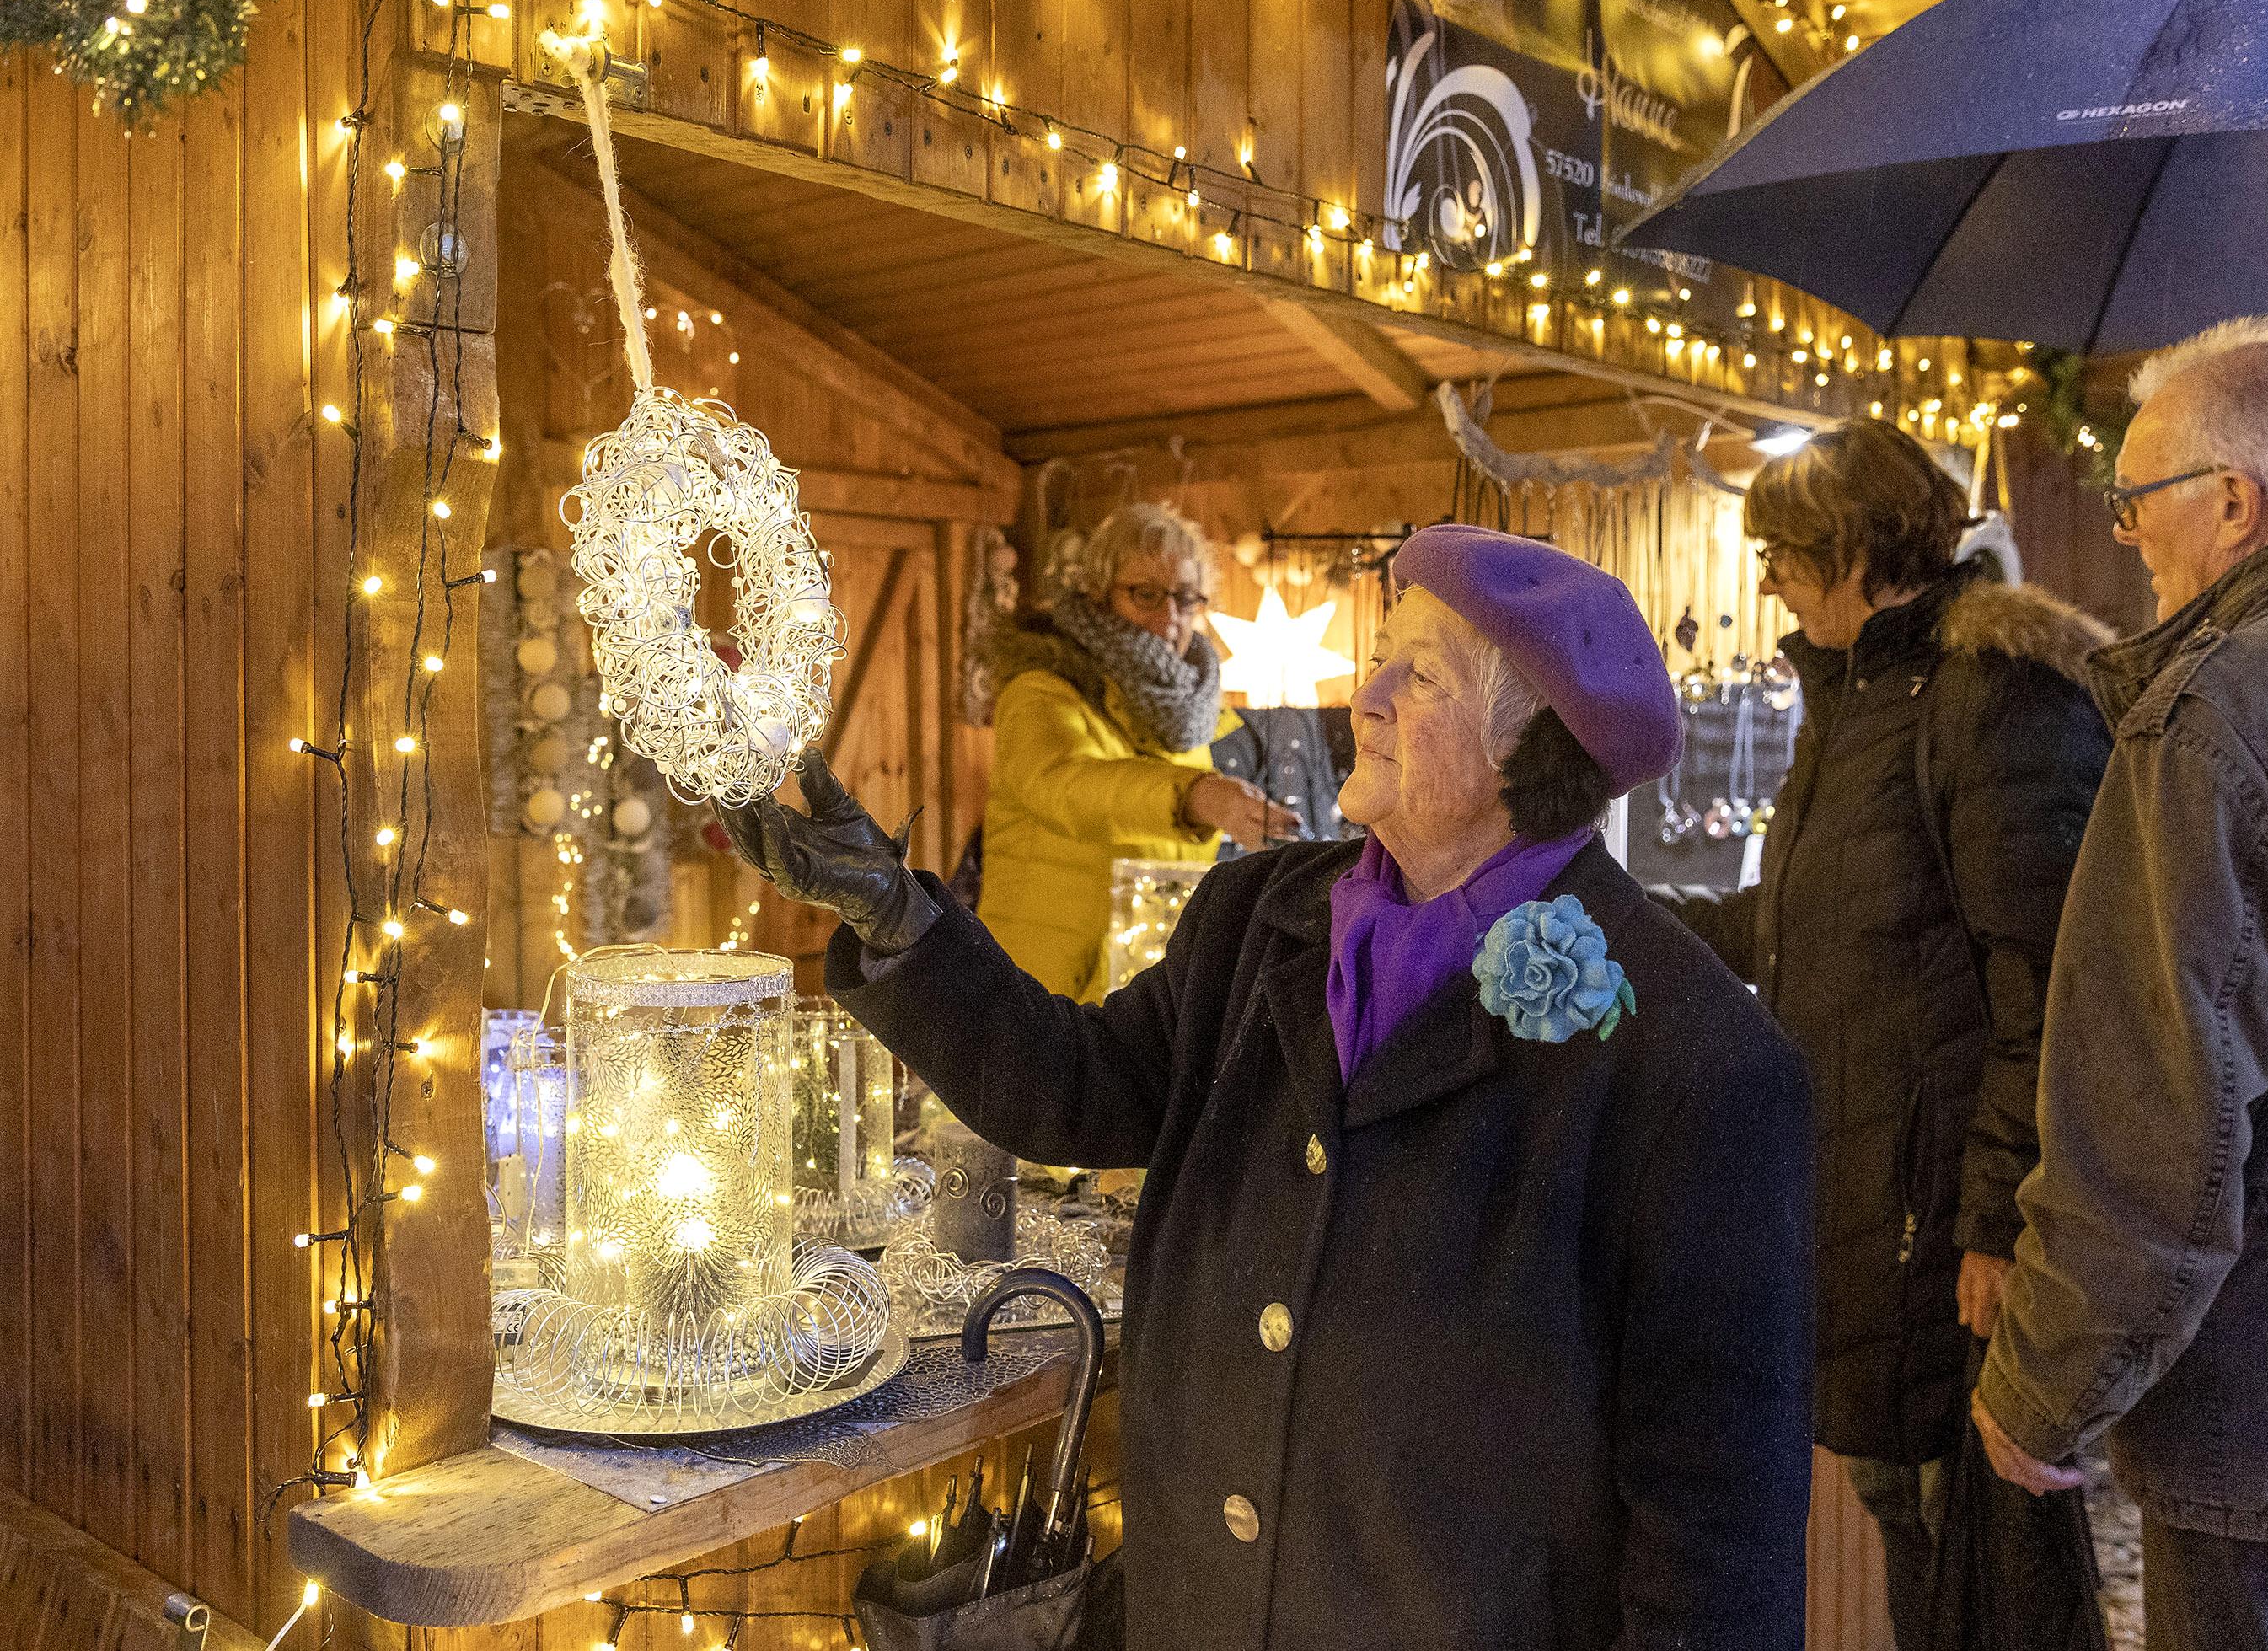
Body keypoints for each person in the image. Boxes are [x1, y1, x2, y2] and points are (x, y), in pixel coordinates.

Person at [721, 524, 1815, 1650]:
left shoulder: (1691, 1063)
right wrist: (901, 921)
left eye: (1420, 673)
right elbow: (1078, 1088)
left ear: (1529, 743)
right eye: (1379, 654)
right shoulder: (1260, 920)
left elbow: (1716, 1540)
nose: (1367, 694)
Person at [1970, 318, 2268, 1651]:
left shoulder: (2219, 714)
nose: (2127, 535)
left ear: (2233, 502)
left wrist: (2046, 1383)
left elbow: (2156, 1116)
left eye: (2133, 501)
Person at [1654, 420, 2113, 1651]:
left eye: (1782, 554)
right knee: (1908, 1517)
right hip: (1860, 1185)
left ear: (1860, 551)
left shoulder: (1992, 702)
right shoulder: (1854, 699)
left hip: (1945, 1213)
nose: (1765, 582)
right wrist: (1623, 919)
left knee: (1975, 1550)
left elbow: (2047, 981)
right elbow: (1801, 922)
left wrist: (2000, 1220)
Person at [978, 502, 1298, 1003]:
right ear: (1097, 594)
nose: (1168, 618)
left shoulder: (1186, 717)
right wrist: (1196, 797)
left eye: (1185, 598)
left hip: (1135, 998)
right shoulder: (1041, 692)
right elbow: (1067, 787)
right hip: (1039, 994)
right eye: (1145, 595)